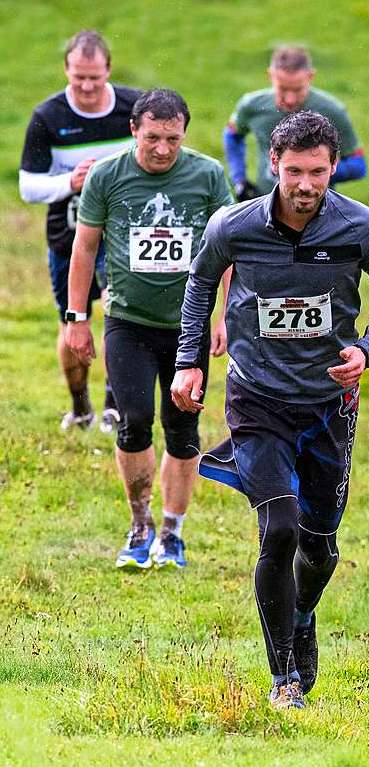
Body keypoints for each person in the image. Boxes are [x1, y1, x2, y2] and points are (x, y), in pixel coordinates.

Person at [171, 111, 369, 709]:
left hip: (330, 404)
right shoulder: (235, 226)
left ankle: (303, 615)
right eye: (296, 171)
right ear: (274, 165)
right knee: (276, 530)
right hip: (257, 398)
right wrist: (189, 360)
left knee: (320, 546)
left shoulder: (363, 228)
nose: (306, 185)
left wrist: (366, 349)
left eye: (319, 173)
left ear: (334, 170)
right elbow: (200, 283)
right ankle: (284, 677)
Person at [65, 89, 234, 570]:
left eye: (173, 139)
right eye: (154, 138)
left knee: (183, 430)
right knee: (134, 420)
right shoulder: (107, 175)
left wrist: (224, 316)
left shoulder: (206, 175)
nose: (163, 149)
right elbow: (84, 250)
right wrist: (78, 319)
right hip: (129, 322)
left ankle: (172, 534)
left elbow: (227, 250)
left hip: (188, 324)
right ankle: (139, 525)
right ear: (134, 130)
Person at [19, 30, 139, 433]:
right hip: (68, 237)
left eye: (95, 77)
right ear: (66, 71)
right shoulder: (48, 117)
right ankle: (81, 406)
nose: (87, 86)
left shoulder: (134, 108)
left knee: (119, 317)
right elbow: (28, 186)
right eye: (78, 78)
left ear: (108, 69)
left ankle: (113, 406)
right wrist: (70, 182)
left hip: (124, 238)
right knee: (73, 320)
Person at [224, 44, 366, 201]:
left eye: (298, 90)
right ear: (271, 75)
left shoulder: (332, 111)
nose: (290, 100)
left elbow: (358, 165)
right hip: (265, 202)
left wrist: (312, 171)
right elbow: (232, 136)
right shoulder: (252, 105)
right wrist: (239, 179)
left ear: (310, 76)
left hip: (316, 205)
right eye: (283, 89)